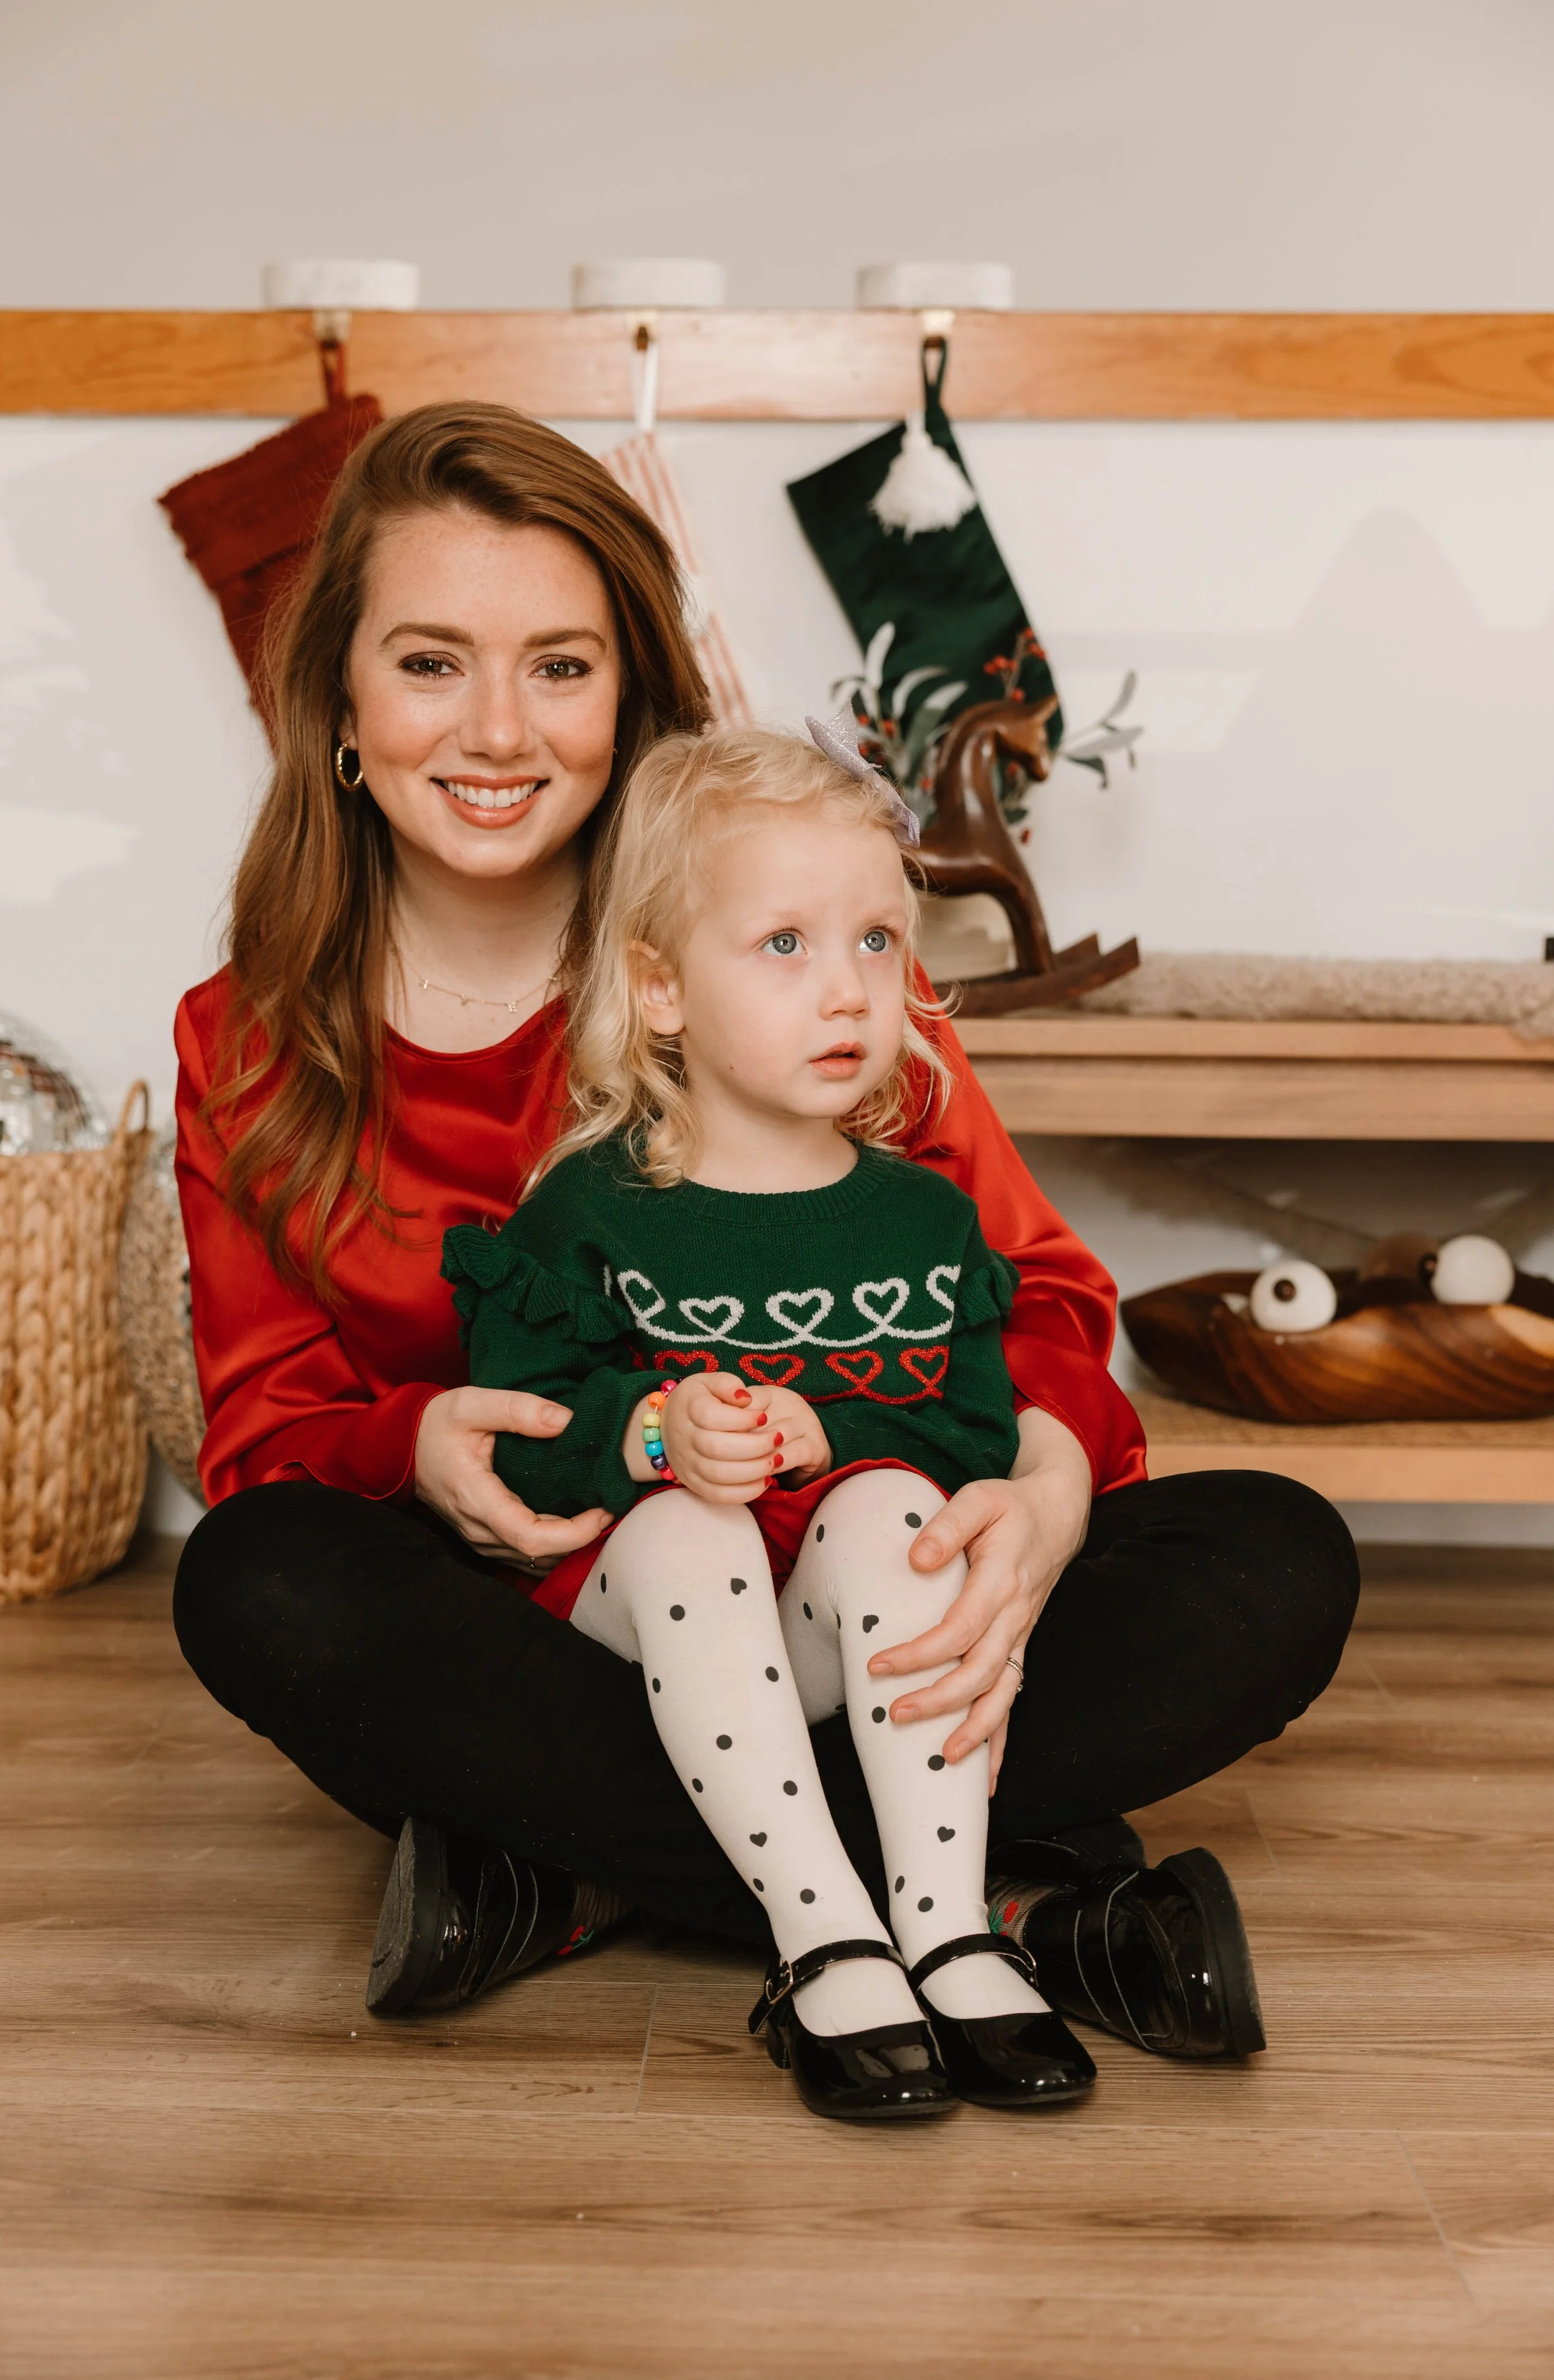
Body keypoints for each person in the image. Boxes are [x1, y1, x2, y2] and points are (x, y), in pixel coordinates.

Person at [171, 402, 1358, 2093]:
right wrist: (418, 1445)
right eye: (432, 662)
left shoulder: (796, 952)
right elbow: (265, 1445)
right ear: (341, 706)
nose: (499, 726)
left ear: (629, 701)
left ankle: (569, 1881)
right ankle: (998, 1915)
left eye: (560, 667)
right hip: (556, 1615)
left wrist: (1035, 1490)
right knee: (263, 1581)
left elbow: (1032, 1304)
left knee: (1273, 1552)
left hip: (876, 1578)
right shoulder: (244, 1039)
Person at [438, 719, 1105, 2121]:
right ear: (660, 990)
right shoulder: (592, 1208)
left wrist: (844, 1443)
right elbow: (520, 1432)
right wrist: (648, 1430)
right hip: (638, 1627)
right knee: (691, 1532)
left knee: (897, 1515)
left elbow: (974, 1442)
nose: (849, 991)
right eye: (784, 947)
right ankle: (822, 1936)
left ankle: (944, 1922)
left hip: (817, 1641)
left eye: (875, 940)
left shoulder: (923, 1214)